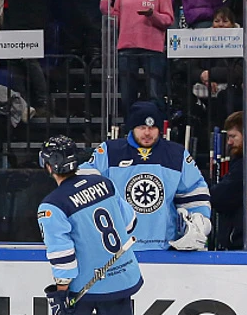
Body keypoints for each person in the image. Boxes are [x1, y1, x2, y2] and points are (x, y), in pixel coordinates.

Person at [35, 136, 162, 315]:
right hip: (121, 274)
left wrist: (62, 292)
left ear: (49, 166)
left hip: (84, 285)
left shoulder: (52, 206)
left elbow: (62, 255)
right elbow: (129, 222)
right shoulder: (101, 181)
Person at [88, 101, 213, 251]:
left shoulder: (176, 155)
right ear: (132, 128)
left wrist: (199, 222)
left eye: (152, 127)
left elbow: (194, 194)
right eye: (142, 127)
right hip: (118, 250)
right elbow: (84, 188)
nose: (147, 133)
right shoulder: (109, 152)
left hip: (164, 249)